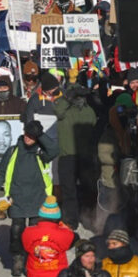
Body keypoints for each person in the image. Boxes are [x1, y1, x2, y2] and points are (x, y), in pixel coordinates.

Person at [0, 117, 58, 277]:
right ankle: (18, 259)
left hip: (37, 197)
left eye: (32, 136)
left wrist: (40, 135)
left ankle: (32, 261)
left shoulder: (41, 152)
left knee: (35, 233)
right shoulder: (13, 151)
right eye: (27, 134)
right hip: (17, 197)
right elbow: (1, 173)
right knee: (17, 230)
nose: (28, 138)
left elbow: (55, 150)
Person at [22, 196, 77, 277]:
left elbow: (26, 247)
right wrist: (64, 227)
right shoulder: (65, 234)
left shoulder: (28, 232)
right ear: (57, 217)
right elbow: (74, 238)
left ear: (40, 215)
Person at [53, 84, 96, 230]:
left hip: (84, 155)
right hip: (67, 155)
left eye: (81, 96)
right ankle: (71, 220)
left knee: (86, 188)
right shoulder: (64, 110)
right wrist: (66, 98)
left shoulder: (88, 110)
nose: (79, 99)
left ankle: (88, 218)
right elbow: (57, 110)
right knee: (68, 190)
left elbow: (94, 127)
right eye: (76, 96)